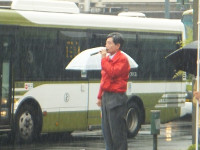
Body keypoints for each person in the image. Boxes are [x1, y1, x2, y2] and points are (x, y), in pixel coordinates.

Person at [96, 32, 130, 150]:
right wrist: (100, 96)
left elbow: (113, 72)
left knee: (117, 132)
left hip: (116, 97)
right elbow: (104, 79)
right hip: (107, 96)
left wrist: (104, 60)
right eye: (106, 43)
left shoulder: (122, 59)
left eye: (110, 43)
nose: (107, 46)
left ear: (117, 46)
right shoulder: (107, 59)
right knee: (107, 132)